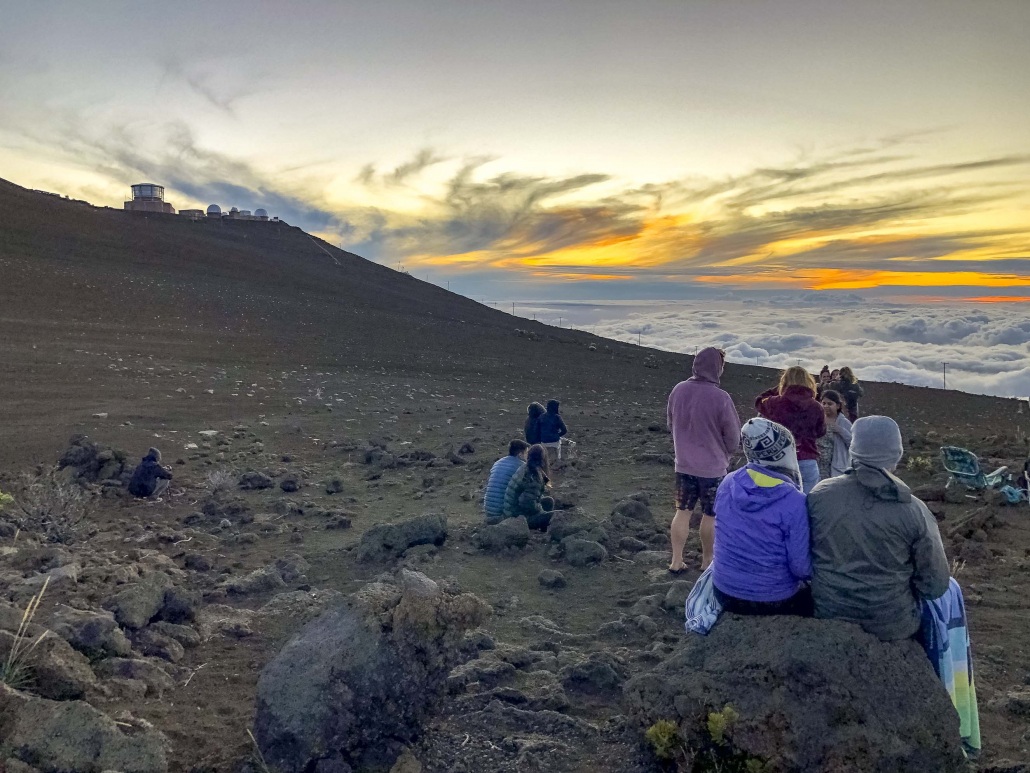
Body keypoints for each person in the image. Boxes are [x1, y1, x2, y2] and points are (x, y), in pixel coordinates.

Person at [807, 416, 950, 641]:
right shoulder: (914, 510)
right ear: (897, 456)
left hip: (828, 615)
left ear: (853, 451)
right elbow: (935, 585)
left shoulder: (818, 495)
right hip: (892, 625)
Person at [711, 418, 813, 616]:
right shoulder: (794, 501)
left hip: (723, 591)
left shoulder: (728, 482)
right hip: (773, 600)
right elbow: (801, 568)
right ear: (786, 452)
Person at [666, 347, 741, 572]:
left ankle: (676, 560)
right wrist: (726, 453)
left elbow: (671, 423)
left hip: (683, 465)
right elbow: (733, 437)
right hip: (713, 469)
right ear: (718, 368)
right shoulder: (721, 398)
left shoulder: (678, 390)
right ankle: (707, 560)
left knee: (683, 512)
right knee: (710, 514)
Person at [755, 366, 826, 493]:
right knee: (806, 506)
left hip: (779, 460)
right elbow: (821, 432)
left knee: (778, 503)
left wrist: (780, 388)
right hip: (807, 459)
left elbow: (759, 401)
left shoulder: (773, 403)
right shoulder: (817, 407)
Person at [501, 444, 554, 530]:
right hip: (519, 518)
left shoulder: (525, 467)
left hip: (511, 512)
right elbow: (527, 503)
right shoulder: (533, 477)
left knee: (548, 501)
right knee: (556, 516)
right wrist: (540, 510)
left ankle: (543, 528)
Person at [483, 440, 529, 520]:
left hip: (489, 512)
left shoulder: (497, 463)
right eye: (526, 453)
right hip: (503, 513)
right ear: (520, 454)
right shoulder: (521, 466)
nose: (527, 456)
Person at [817, 390, 853, 479]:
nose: (826, 406)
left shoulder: (843, 422)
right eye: (823, 403)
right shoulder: (818, 419)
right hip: (818, 464)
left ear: (838, 406)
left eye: (830, 404)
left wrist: (840, 430)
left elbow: (853, 443)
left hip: (835, 466)